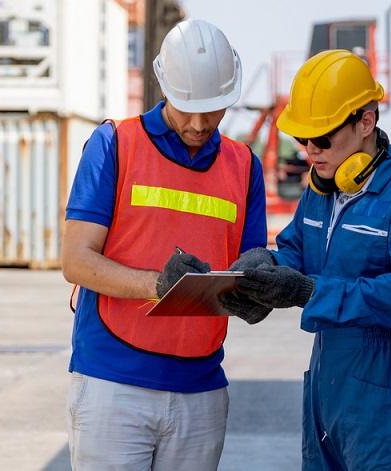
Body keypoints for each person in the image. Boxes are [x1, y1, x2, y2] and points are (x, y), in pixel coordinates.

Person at [219, 49, 391, 470]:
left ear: (366, 121)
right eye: (302, 139)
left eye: (323, 137)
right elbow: (297, 249)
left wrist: (311, 291)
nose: (311, 150)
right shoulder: (321, 189)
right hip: (327, 383)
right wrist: (261, 271)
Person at [60, 19, 267, 471]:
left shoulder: (244, 165)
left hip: (202, 387)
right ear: (163, 84)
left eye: (213, 109)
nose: (199, 123)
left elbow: (251, 260)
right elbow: (76, 261)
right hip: (113, 385)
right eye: (187, 106)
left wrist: (262, 284)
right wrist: (161, 284)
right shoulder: (114, 143)